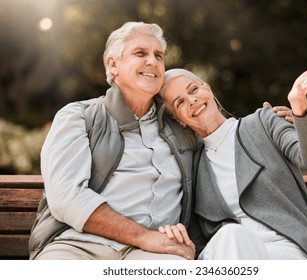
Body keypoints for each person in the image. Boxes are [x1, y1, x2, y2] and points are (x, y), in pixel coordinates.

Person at [28, 21, 197, 260]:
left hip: (150, 254)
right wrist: (143, 236)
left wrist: (267, 123)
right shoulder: (79, 116)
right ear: (113, 64)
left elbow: (224, 141)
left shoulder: (181, 125)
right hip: (77, 246)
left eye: (159, 55)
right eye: (140, 53)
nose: (153, 61)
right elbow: (67, 198)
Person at [158, 64, 307, 260]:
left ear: (208, 88)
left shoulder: (262, 123)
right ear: (179, 119)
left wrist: (298, 103)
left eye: (193, 89)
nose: (192, 100)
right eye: (180, 102)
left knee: (233, 238)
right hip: (230, 254)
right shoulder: (193, 167)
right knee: (232, 235)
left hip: (287, 250)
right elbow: (198, 237)